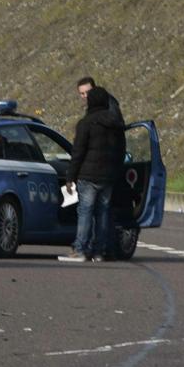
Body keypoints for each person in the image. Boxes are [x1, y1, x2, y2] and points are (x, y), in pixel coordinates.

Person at [59, 86, 126, 262]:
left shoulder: (86, 123)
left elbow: (78, 152)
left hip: (88, 176)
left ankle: (80, 249)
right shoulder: (116, 125)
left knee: (85, 211)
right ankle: (99, 251)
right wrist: (116, 171)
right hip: (108, 176)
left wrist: (70, 177)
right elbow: (121, 151)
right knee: (103, 212)